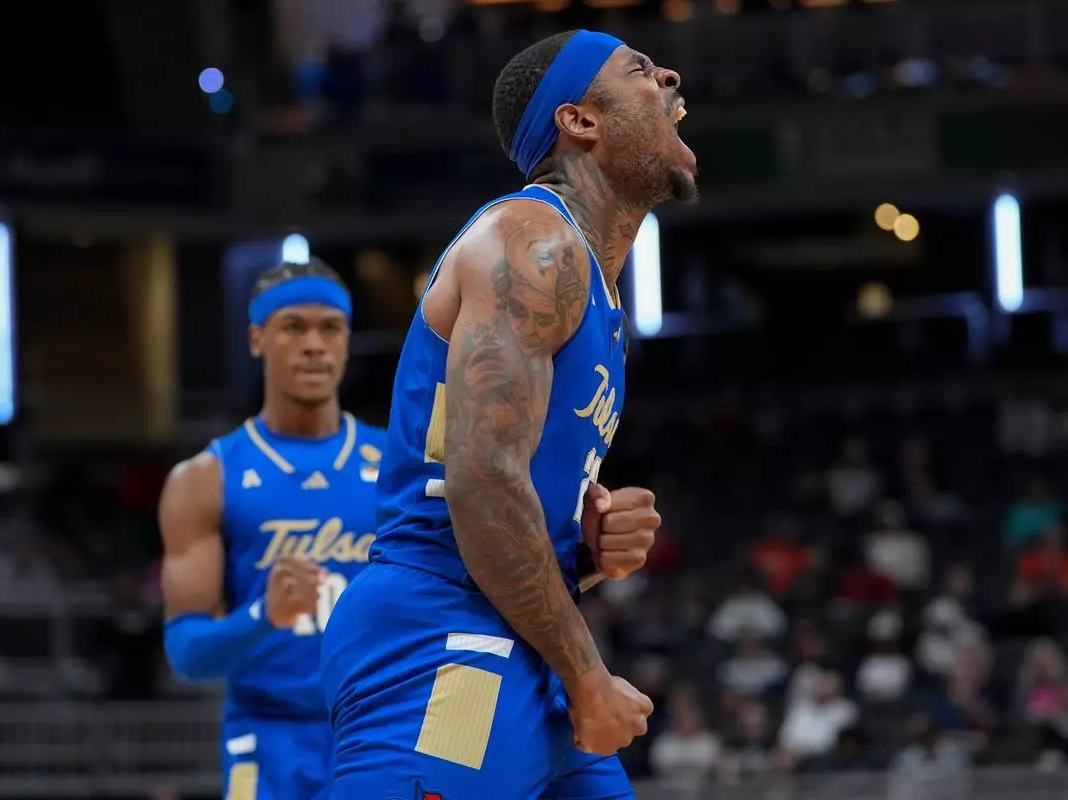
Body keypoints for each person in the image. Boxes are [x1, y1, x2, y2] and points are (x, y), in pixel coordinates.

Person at [321, 28, 697, 799]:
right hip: (442, 636)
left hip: (523, 642)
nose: (669, 76)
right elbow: (483, 484)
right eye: (639, 70)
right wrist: (589, 678)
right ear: (580, 120)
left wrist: (587, 547)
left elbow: (510, 489)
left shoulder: (595, 290)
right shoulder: (533, 242)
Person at [158, 259, 385, 800]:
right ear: (256, 339)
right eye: (293, 327)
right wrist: (263, 616)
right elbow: (186, 654)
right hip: (268, 734)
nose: (314, 346)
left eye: (330, 328)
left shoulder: (395, 466)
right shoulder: (205, 479)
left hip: (377, 727)